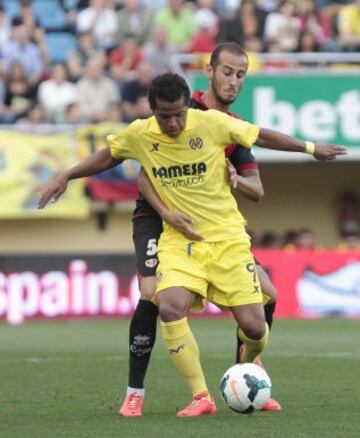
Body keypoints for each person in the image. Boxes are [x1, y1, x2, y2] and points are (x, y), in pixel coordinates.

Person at [38, 73, 346, 417]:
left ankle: (245, 367)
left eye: (178, 114)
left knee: (255, 328)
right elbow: (109, 154)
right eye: (164, 116)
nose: (172, 123)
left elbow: (261, 136)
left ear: (187, 106)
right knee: (168, 305)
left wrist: (310, 148)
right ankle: (201, 397)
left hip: (227, 240)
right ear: (153, 111)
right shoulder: (140, 134)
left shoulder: (212, 123)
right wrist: (67, 174)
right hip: (180, 243)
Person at [121, 43, 283, 417]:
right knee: (152, 294)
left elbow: (255, 189)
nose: (233, 81)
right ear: (209, 71)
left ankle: (245, 374)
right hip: (158, 216)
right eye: (226, 72)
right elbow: (145, 173)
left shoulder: (231, 125)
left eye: (240, 74)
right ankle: (135, 392)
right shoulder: (181, 108)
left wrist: (235, 180)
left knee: (267, 295)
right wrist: (165, 211)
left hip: (210, 228)